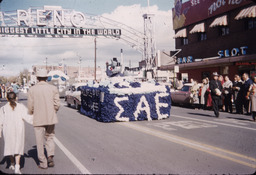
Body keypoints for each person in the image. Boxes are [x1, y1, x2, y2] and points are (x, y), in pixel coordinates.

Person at [27, 69, 60, 169]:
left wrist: (32, 112)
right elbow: (57, 104)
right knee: (50, 137)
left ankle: (43, 162)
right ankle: (50, 156)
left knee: (39, 141)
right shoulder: (53, 88)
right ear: (46, 78)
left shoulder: (32, 89)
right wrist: (53, 111)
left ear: (37, 78)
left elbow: (30, 106)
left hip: (38, 118)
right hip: (50, 117)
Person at [0, 92, 33, 174]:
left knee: (10, 146)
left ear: (7, 98)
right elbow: (28, 117)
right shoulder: (21, 107)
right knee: (18, 146)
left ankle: (12, 164)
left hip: (7, 130)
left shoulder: (3, 109)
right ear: (16, 98)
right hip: (19, 129)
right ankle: (17, 167)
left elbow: (0, 121)